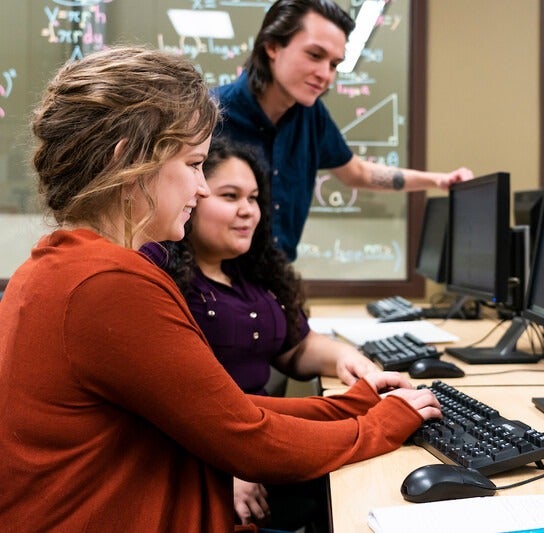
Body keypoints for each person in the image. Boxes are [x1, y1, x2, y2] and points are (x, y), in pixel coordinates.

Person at [0, 46, 441, 531]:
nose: (203, 188)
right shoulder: (108, 282)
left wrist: (354, 405)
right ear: (126, 161)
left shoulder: (58, 264)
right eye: (193, 165)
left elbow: (218, 410)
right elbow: (247, 439)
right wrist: (381, 425)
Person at [143, 137, 381, 527]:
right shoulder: (164, 284)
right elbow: (167, 411)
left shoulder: (248, 273)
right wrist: (225, 468)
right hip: (215, 459)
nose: (247, 211)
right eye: (230, 196)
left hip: (260, 444)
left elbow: (295, 347)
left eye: (253, 199)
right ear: (194, 196)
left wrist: (346, 358)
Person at [212, 0, 474, 260]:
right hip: (213, 284)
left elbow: (356, 173)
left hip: (274, 281)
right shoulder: (212, 115)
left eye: (334, 64)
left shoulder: (311, 115)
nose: (325, 74)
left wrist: (437, 180)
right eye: (315, 55)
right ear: (272, 47)